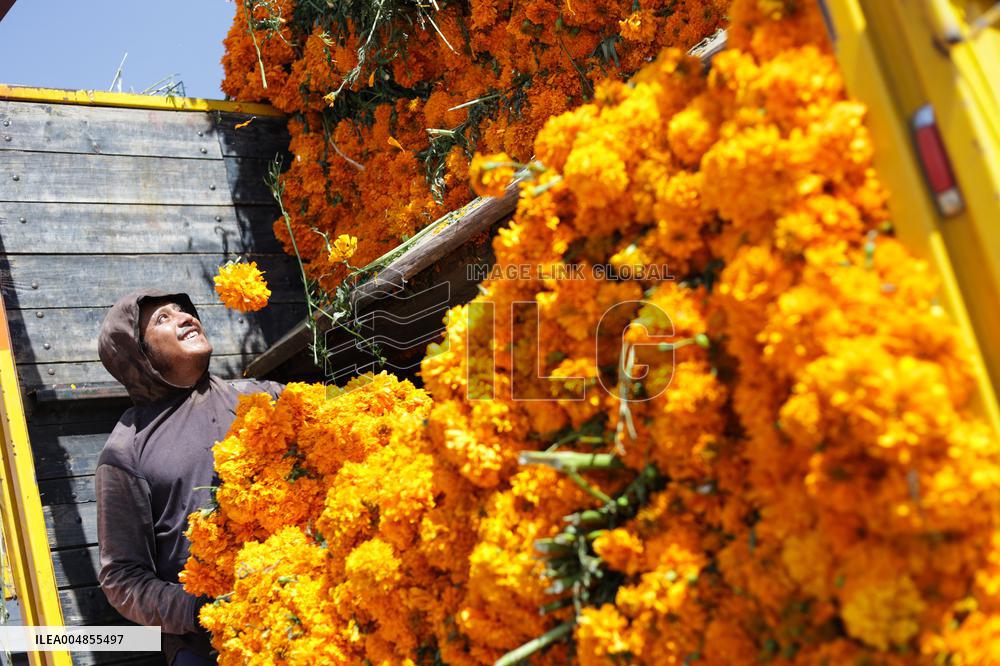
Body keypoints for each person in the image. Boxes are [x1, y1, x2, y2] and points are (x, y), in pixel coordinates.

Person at [94, 288, 284, 665]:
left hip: (296, 598)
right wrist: (199, 610)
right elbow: (123, 580)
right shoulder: (125, 451)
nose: (185, 317)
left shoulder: (263, 397)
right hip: (207, 644)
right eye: (162, 319)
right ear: (139, 355)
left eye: (182, 310)